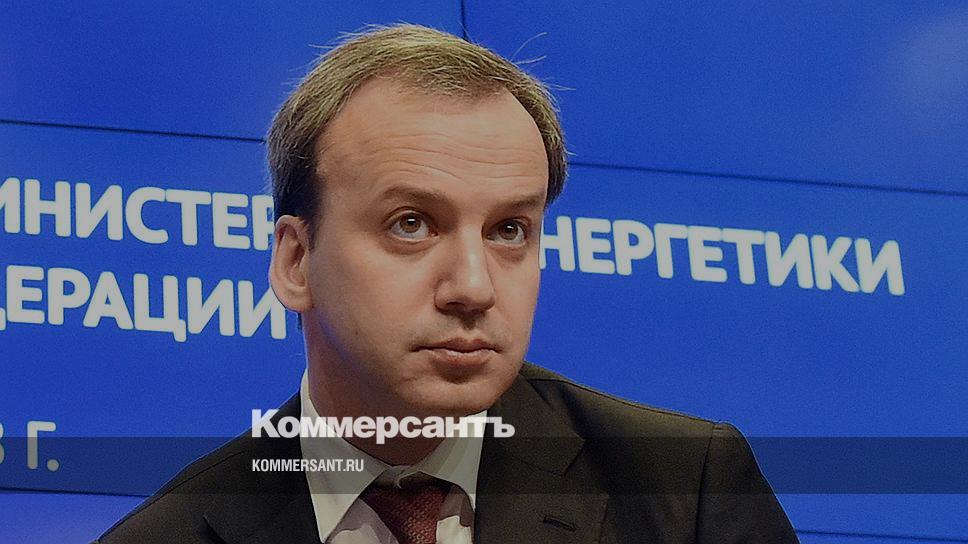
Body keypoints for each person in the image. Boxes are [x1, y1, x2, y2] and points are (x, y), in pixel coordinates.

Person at [96, 24, 798, 543]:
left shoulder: (685, 491)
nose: (473, 287)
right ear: (296, 262)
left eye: (509, 230)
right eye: (411, 224)